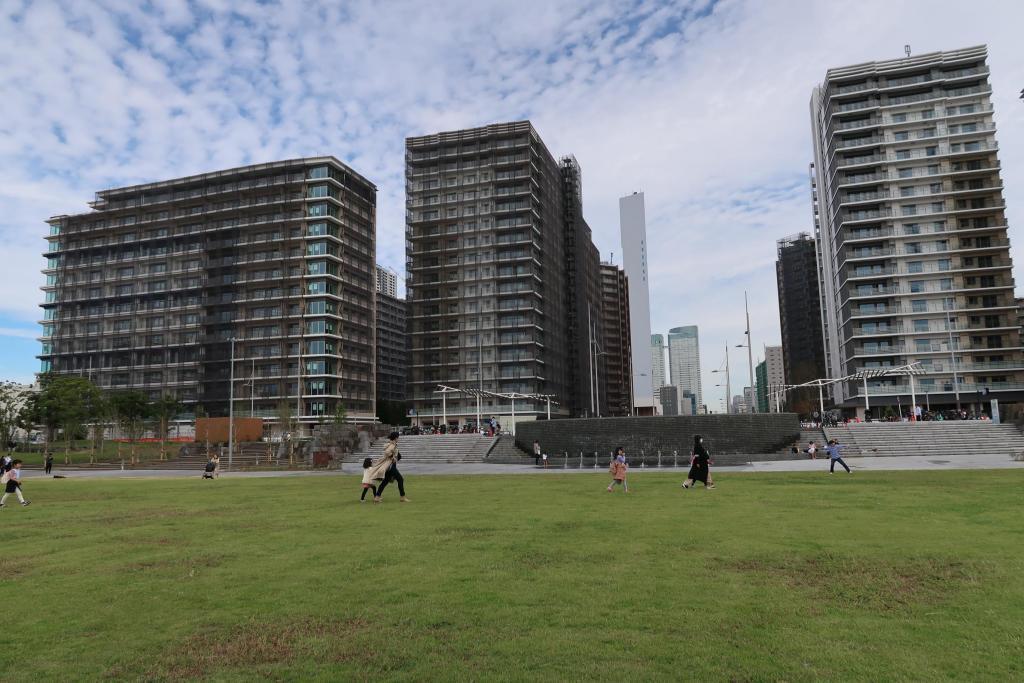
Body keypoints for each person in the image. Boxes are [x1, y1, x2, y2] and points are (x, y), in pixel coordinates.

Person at [370, 432, 409, 503]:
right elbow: (387, 452)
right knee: (400, 479)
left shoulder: (391, 444)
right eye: (398, 437)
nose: (398, 439)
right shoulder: (392, 445)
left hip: (389, 466)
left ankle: (377, 497)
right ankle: (402, 497)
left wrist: (397, 456)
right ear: (396, 438)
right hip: (391, 466)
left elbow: (395, 453)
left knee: (385, 481)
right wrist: (393, 458)